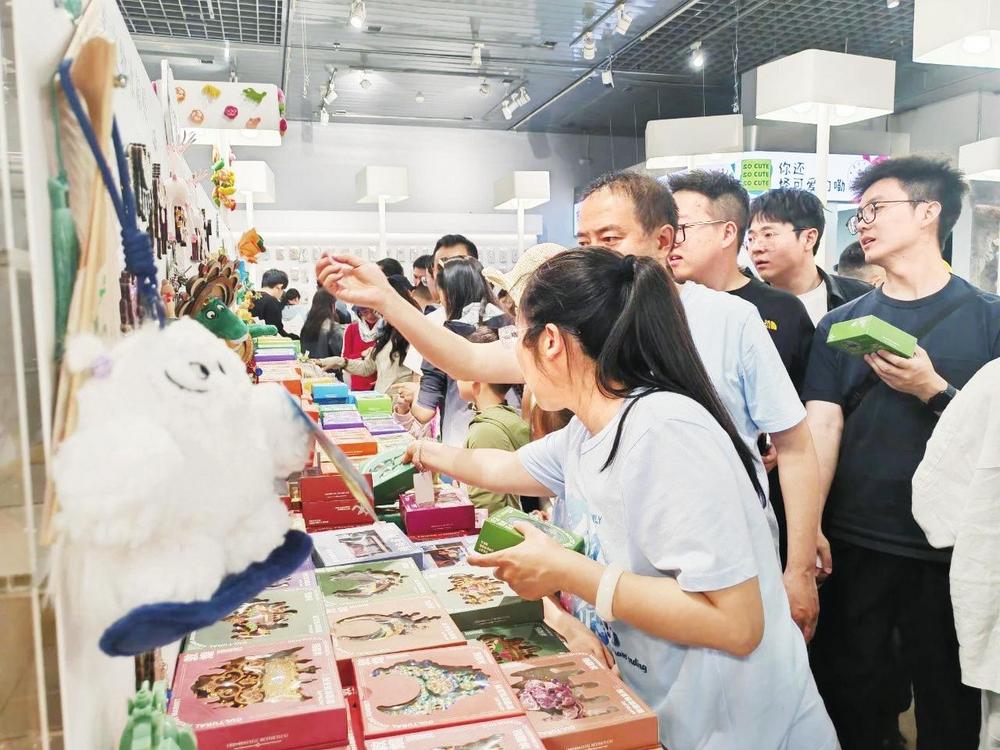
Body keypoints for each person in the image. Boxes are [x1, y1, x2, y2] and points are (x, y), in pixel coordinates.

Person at [318, 172, 825, 643]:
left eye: (610, 238)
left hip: (709, 584)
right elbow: (473, 368)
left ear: (663, 239)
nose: (595, 253)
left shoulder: (690, 386)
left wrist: (799, 566)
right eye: (584, 242)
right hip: (634, 609)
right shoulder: (591, 383)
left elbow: (794, 447)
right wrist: (388, 301)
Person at [404, 248, 837, 750]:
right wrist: (424, 452)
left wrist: (566, 571)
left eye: (517, 336)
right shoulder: (590, 428)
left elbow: (737, 623)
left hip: (743, 726)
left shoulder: (664, 432)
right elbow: (502, 468)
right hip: (670, 710)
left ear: (550, 342)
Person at [804, 155, 1000, 749]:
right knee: (854, 698)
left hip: (954, 549)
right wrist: (810, 527)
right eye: (859, 213)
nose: (861, 223)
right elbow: (822, 427)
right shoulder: (840, 324)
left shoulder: (990, 320)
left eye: (876, 208)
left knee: (951, 707)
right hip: (856, 540)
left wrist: (932, 389)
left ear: (928, 212)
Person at [668, 170, 815, 391]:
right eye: (667, 229)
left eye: (682, 228)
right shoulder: (662, 306)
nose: (671, 240)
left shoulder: (783, 310)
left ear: (727, 233)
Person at [395, 257, 510, 446]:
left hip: (462, 444)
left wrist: (415, 392)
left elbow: (424, 412)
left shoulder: (444, 337)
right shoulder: (510, 326)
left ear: (448, 294)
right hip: (509, 439)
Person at [749, 188, 872, 325]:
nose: (756, 248)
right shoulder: (745, 305)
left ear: (809, 238)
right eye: (751, 238)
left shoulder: (861, 298)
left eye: (768, 235)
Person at [455, 326, 531, 515]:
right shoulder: (504, 418)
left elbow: (487, 510)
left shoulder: (485, 432)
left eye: (460, 369)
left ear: (476, 378)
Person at [315, 276, 421, 394]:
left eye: (379, 308)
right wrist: (339, 362)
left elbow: (420, 378)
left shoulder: (414, 334)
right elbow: (367, 367)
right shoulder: (387, 333)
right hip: (381, 400)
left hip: (400, 401)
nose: (378, 314)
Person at [401, 235, 480, 373]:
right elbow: (419, 378)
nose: (448, 273)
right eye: (440, 267)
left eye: (456, 264)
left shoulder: (495, 321)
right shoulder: (427, 324)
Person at [341, 304, 383, 391]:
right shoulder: (351, 329)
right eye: (365, 312)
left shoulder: (386, 329)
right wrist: (362, 354)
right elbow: (345, 358)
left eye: (373, 311)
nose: (370, 316)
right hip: (358, 386)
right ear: (359, 312)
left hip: (381, 384)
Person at [299, 290, 350, 359]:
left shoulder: (306, 327)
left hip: (308, 364)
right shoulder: (334, 329)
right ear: (332, 305)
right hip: (329, 365)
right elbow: (342, 356)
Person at [250, 269, 290, 335]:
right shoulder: (272, 302)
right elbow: (277, 330)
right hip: (265, 339)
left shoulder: (251, 295)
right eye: (283, 289)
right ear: (279, 287)